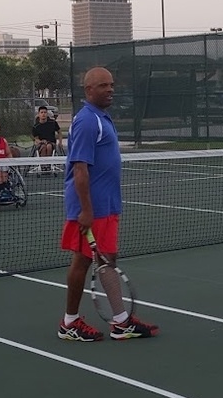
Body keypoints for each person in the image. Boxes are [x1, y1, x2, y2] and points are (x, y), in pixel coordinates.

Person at [58, 67, 157, 341]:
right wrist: (86, 210)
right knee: (83, 260)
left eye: (111, 84)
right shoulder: (88, 121)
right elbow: (79, 169)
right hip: (92, 208)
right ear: (89, 90)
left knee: (107, 259)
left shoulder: (103, 117)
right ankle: (70, 323)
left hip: (108, 205)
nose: (110, 89)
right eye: (103, 85)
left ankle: (121, 322)